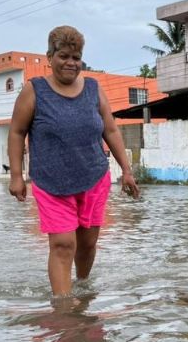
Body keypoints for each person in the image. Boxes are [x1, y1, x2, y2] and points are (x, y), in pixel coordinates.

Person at [8, 25, 140, 300]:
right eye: (64, 56)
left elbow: (111, 130)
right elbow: (17, 132)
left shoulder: (93, 89)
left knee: (87, 244)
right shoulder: (35, 91)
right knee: (63, 243)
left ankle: (82, 288)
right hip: (51, 182)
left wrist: (126, 171)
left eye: (76, 57)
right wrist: (16, 176)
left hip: (93, 178)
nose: (71, 63)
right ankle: (63, 310)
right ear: (50, 57)